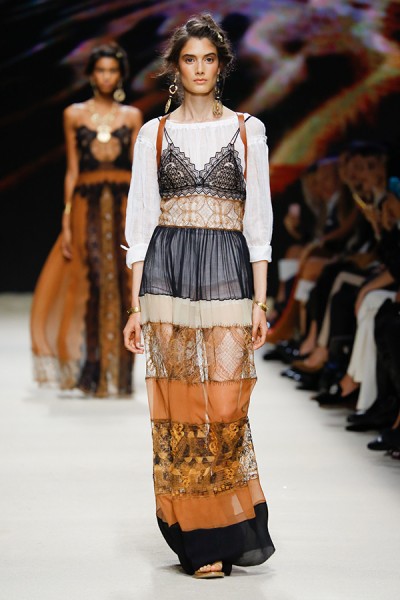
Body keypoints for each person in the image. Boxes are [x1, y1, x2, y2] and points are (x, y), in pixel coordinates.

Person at [123, 14, 275, 578]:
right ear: (176, 67)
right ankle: (201, 536)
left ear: (222, 65)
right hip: (167, 276)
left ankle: (229, 518)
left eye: (209, 59)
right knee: (182, 407)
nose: (200, 69)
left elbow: (259, 221)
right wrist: (134, 307)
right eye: (190, 59)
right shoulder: (154, 134)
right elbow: (140, 223)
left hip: (228, 273)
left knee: (228, 405)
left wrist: (261, 301)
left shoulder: (247, 130)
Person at [31, 43, 143, 397]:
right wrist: (66, 219)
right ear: (92, 75)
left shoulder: (132, 116)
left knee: (123, 283)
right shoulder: (74, 114)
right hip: (86, 205)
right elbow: (72, 170)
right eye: (101, 70)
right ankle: (91, 368)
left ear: (120, 75)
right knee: (92, 278)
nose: (107, 77)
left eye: (112, 70)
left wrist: (140, 218)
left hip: (122, 205)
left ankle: (120, 372)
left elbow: (138, 172)